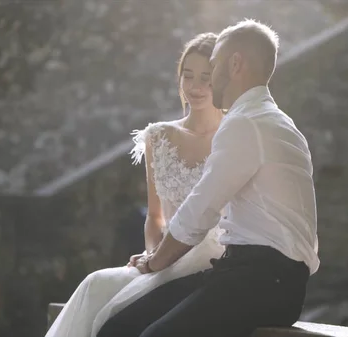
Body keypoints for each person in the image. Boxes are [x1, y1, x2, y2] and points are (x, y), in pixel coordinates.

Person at [97, 19, 320, 337]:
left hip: (263, 282)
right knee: (120, 326)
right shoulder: (279, 122)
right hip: (257, 277)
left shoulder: (246, 122)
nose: (211, 79)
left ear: (235, 63)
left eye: (213, 65)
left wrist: (154, 262)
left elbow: (200, 211)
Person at [44, 32, 226, 337]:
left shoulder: (235, 136)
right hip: (162, 260)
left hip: (211, 264)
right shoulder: (158, 136)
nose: (195, 87)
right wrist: (153, 258)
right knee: (96, 284)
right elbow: (155, 217)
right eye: (188, 75)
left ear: (219, 80)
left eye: (206, 78)